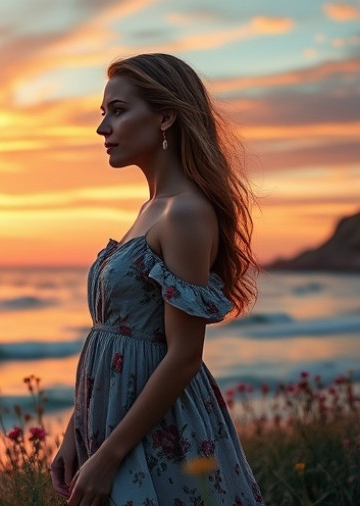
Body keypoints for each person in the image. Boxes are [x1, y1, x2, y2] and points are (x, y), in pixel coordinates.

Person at [50, 53, 264, 505]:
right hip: (112, 419)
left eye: (119, 111)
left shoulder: (185, 212)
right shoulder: (152, 210)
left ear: (166, 115)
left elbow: (184, 354)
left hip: (155, 428)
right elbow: (112, 336)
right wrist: (77, 426)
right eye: (103, 112)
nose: (102, 127)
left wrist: (109, 456)